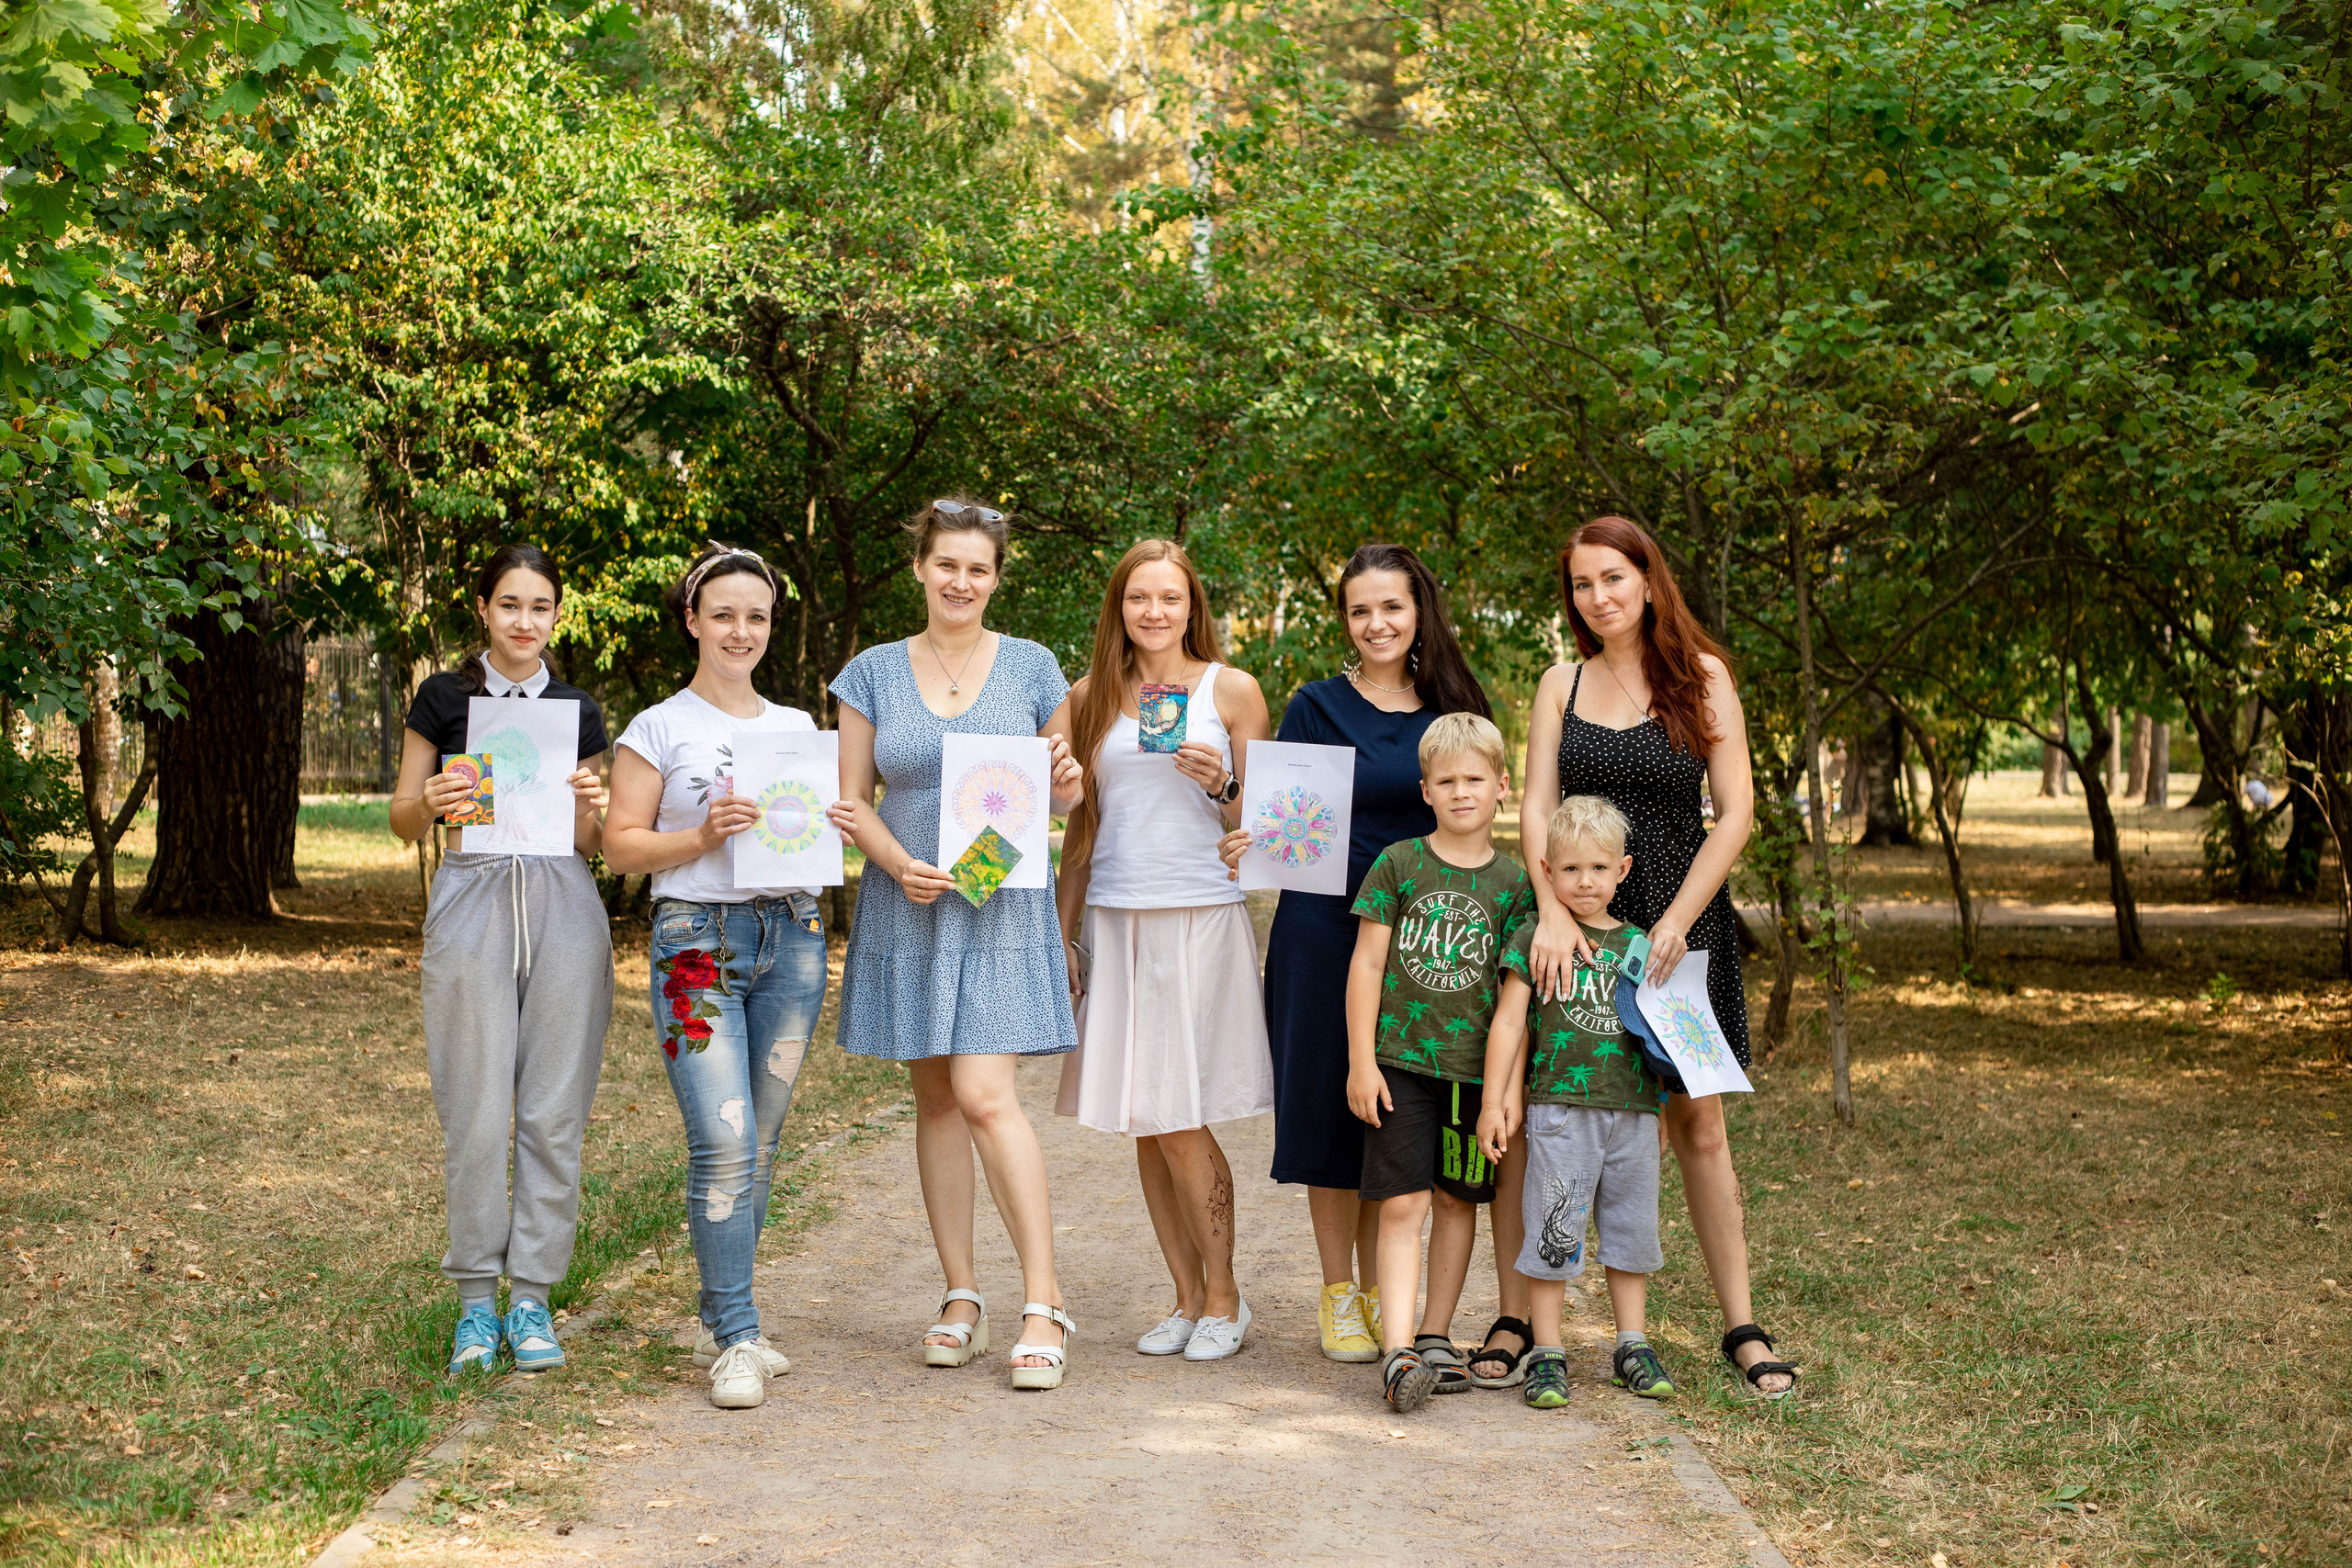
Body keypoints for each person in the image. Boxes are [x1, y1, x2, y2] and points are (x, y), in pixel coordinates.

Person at [1488, 513, 1799, 1400]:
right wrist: (1552, 916)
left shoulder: (1703, 678)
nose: (1599, 598)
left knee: (1696, 1123)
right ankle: (1520, 1317)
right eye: (1583, 585)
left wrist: (1676, 921)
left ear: (1649, 580)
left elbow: (1734, 812)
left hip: (1679, 933)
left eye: (1613, 579)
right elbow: (1538, 810)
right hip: (1573, 927)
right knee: (1544, 1108)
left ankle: (1741, 1323)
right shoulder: (1560, 684)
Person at [824, 498, 1085, 1391]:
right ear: (920, 569)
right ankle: (961, 1296)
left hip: (996, 904)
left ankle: (1044, 1302)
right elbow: (852, 797)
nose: (961, 581)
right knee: (934, 1101)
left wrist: (1067, 780)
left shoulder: (1033, 668)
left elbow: (1062, 798)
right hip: (911, 903)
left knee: (982, 1095)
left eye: (978, 569)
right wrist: (897, 865)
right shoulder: (870, 673)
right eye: (947, 566)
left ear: (995, 578)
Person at [1220, 544, 1497, 1364]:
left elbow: (1476, 810)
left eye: (1392, 607)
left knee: (1394, 1109)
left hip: (1425, 937)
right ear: (1345, 620)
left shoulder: (1453, 705)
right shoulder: (1315, 706)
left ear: (1420, 613)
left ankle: (1386, 1286)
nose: (1376, 624)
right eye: (1359, 610)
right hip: (1322, 927)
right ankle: (1339, 1291)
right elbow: (1282, 816)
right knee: (1327, 1105)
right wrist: (1247, 826)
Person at [603, 545, 828, 1410]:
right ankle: (735, 1335)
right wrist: (700, 836)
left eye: (758, 616)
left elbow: (813, 833)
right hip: (696, 940)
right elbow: (619, 845)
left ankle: (727, 1316)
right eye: (725, 614)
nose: (742, 630)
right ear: (693, 620)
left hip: (794, 938)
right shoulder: (658, 725)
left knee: (761, 1144)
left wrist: (833, 823)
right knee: (723, 1140)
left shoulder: (798, 728)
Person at [390, 544, 614, 1378]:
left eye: (541, 606)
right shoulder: (445, 698)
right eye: (510, 603)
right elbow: (403, 820)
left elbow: (596, 842)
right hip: (472, 896)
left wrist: (596, 802)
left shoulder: (576, 709)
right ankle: (477, 1304)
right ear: (483, 607)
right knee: (477, 1109)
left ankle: (534, 1300)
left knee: (553, 1110)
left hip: (563, 904)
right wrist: (432, 801)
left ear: (557, 615)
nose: (526, 621)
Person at [1054, 539, 1273, 1362]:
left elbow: (1273, 824)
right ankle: (1185, 1298)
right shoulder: (1089, 696)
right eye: (1138, 597)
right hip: (1115, 916)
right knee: (1146, 1121)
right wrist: (1062, 932)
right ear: (1120, 607)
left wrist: (1222, 786)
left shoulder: (1232, 690)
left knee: (1182, 1115)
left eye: (1170, 598)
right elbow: (1081, 825)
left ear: (1192, 606)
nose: (1154, 611)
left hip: (1197, 915)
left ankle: (1227, 1296)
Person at [1343, 712, 1533, 1412]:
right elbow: (1366, 964)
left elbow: (1517, 1004)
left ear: (1501, 788)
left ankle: (1434, 1336)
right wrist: (1362, 1061)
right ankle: (1396, 1352)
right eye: (1446, 780)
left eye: (1474, 779)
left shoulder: (1516, 886)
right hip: (1399, 1062)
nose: (1460, 792)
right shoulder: (1398, 863)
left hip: (1473, 1073)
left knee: (1459, 1201)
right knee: (1403, 1203)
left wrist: (1500, 1095)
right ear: (1424, 789)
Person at [1476, 795, 1672, 1410]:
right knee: (1553, 1231)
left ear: (1623, 868)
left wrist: (1660, 1108)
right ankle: (1548, 1352)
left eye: (1598, 867)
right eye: (1569, 869)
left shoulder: (1639, 945)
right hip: (1560, 1110)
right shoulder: (1535, 936)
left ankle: (1632, 1344)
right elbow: (1509, 1024)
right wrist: (1492, 1102)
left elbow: (1660, 1034)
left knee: (1631, 1228)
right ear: (1546, 869)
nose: (1584, 881)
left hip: (1632, 1112)